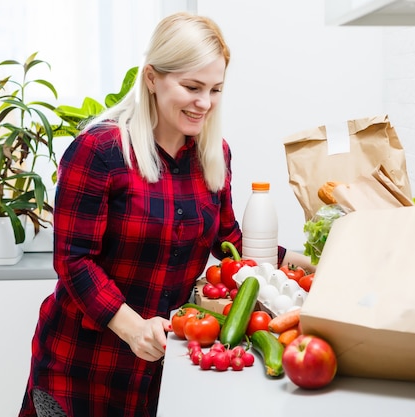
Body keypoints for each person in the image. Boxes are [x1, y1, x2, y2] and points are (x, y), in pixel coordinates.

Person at [19, 12, 314, 417]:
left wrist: (311, 263)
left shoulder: (213, 155)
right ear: (152, 78)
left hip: (158, 368)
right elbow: (73, 260)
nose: (205, 103)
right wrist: (131, 327)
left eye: (215, 89)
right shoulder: (100, 150)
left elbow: (228, 240)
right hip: (83, 366)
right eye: (192, 87)